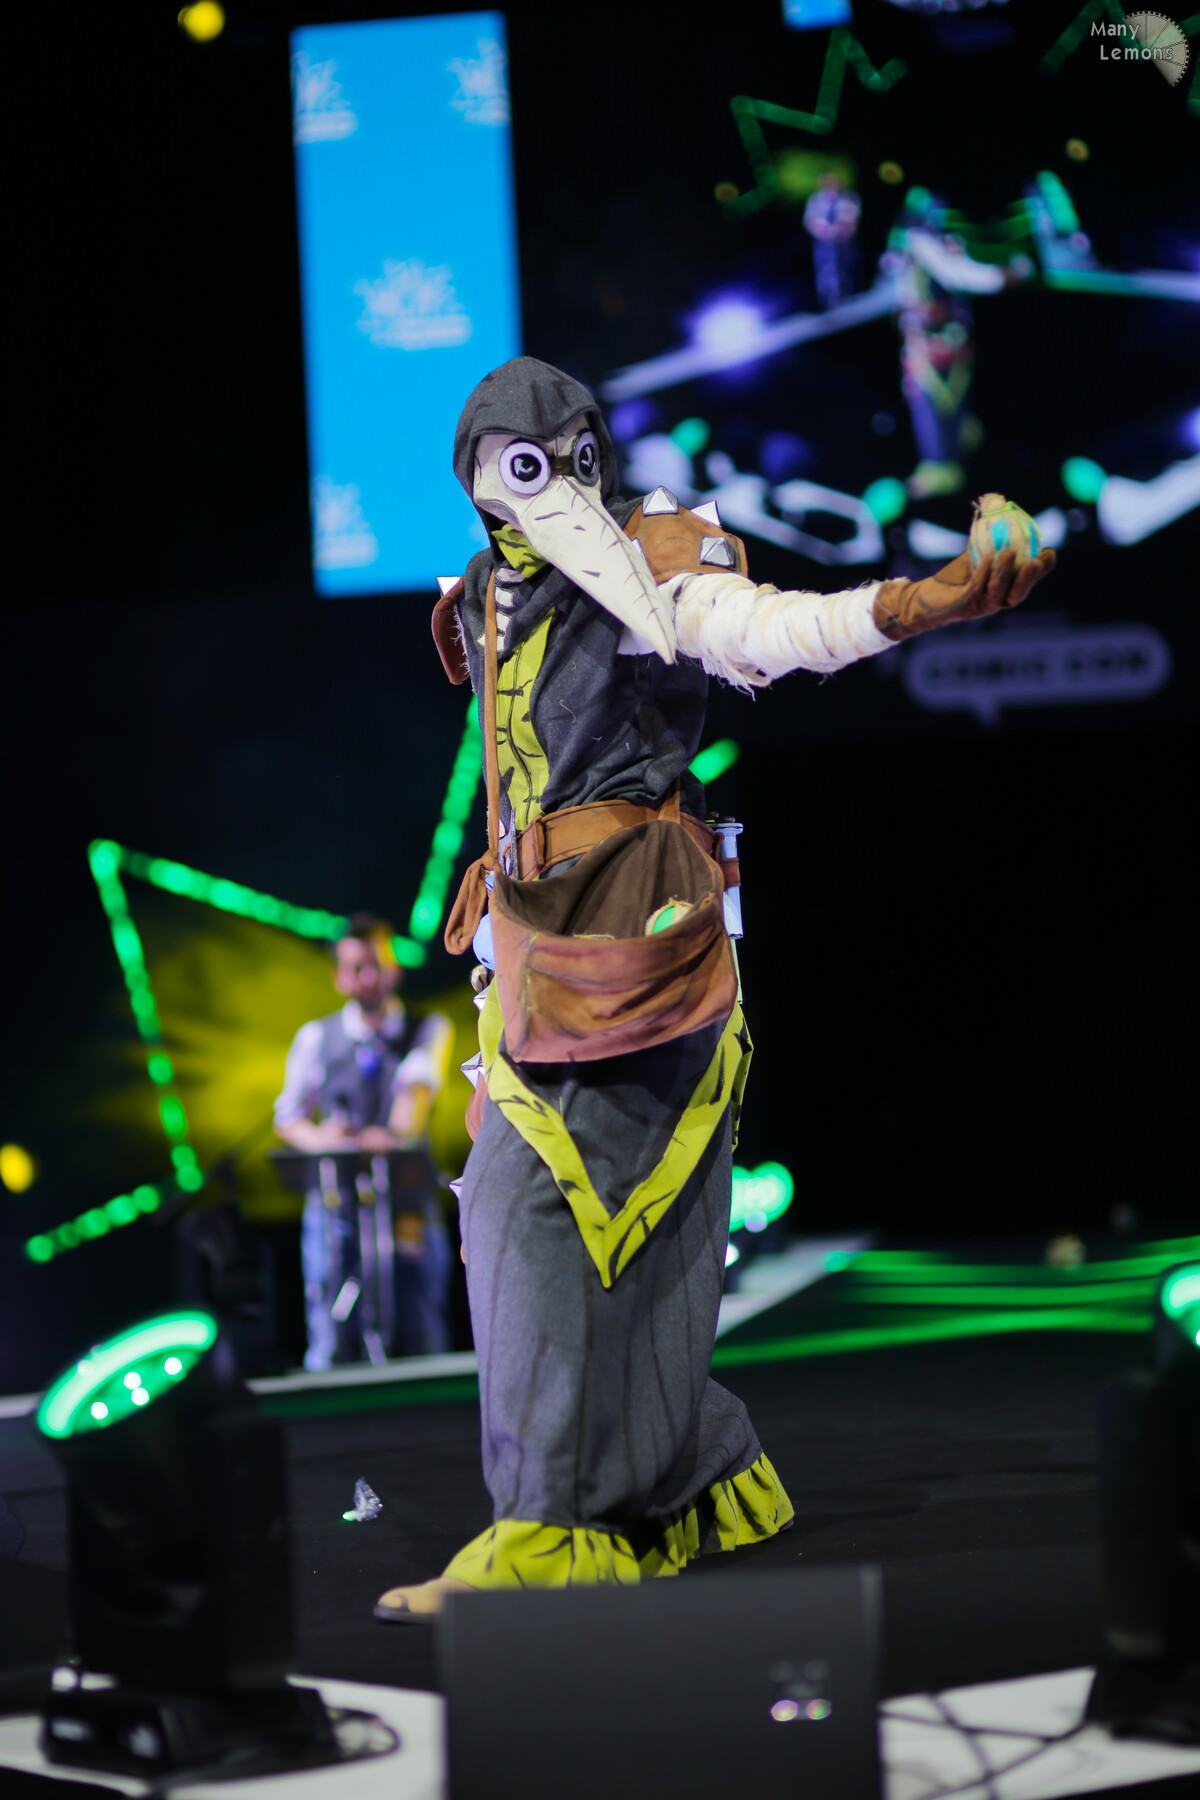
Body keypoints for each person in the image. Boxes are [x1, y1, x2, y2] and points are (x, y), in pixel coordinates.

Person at [373, 356, 1055, 1620]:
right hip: (535, 951)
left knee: (538, 1221)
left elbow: (757, 630)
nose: (553, 480)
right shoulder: (488, 585)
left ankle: (549, 1534)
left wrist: (917, 603)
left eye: (569, 455)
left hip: (634, 940)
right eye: (519, 463)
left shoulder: (653, 551)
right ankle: (689, 1478)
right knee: (610, 1236)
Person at [275, 914, 453, 1368]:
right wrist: (325, 1140)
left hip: (406, 1205)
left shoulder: (426, 1028)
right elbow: (288, 1119)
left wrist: (389, 1135)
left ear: (394, 968)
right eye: (356, 968)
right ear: (339, 976)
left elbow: (414, 1101)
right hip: (335, 1207)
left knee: (420, 1325)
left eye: (376, 965)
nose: (368, 978)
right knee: (330, 1329)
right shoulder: (316, 1037)